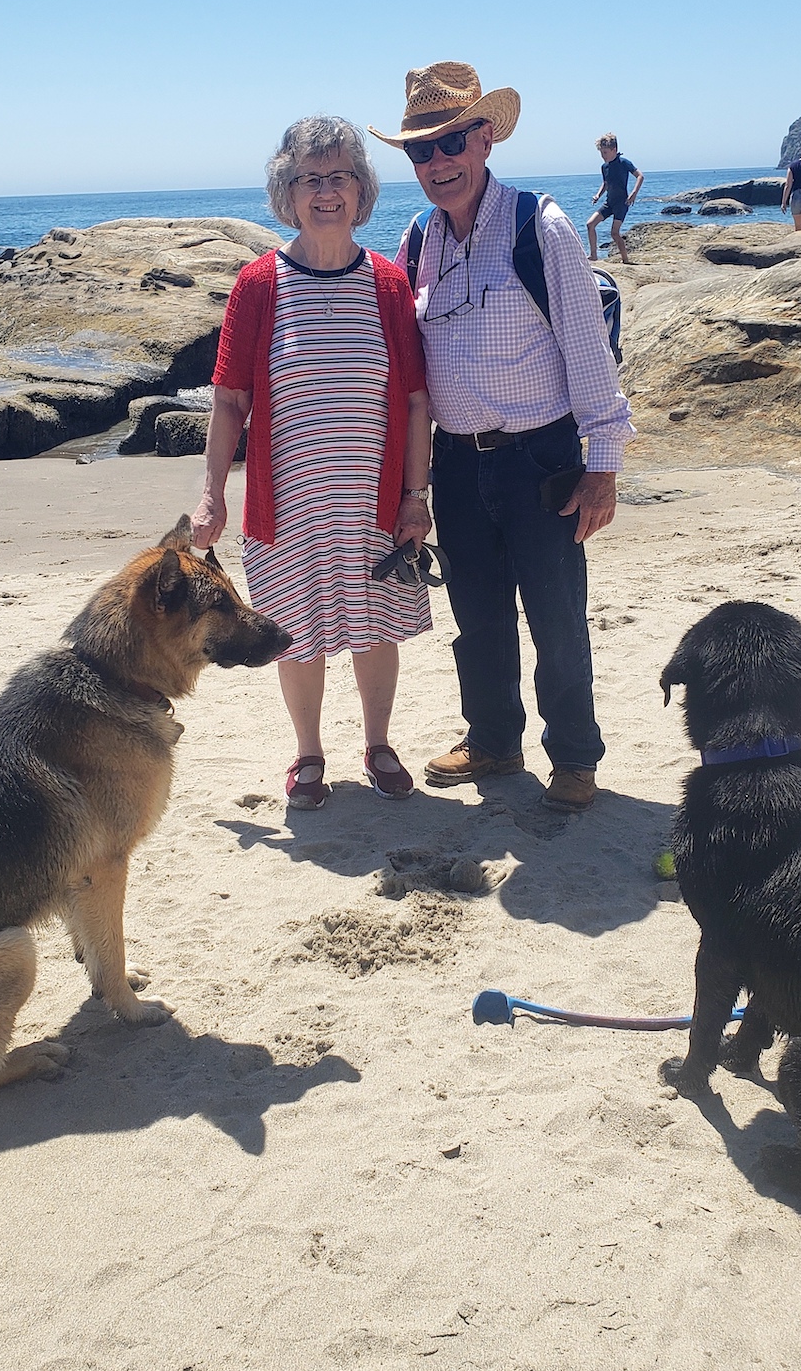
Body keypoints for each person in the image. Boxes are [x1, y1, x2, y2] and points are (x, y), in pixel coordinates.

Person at [370, 62, 635, 813]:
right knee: (477, 620)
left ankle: (575, 759)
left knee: (557, 620)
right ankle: (492, 740)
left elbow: (588, 352)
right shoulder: (416, 238)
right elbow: (403, 363)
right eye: (421, 150)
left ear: (484, 138)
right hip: (455, 466)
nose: (437, 162)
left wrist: (602, 467)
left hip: (538, 460)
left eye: (451, 140)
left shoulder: (538, 227)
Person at [191, 116, 433, 811]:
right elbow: (230, 400)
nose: (326, 192)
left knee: (375, 627)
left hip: (374, 502)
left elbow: (416, 403)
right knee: (295, 635)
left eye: (340, 177)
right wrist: (211, 494)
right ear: (286, 193)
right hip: (287, 505)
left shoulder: (388, 284)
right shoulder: (257, 285)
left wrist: (415, 496)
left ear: (361, 191)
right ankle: (307, 754)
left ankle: (379, 744)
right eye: (309, 179)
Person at [586, 133, 642, 264]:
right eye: (601, 152)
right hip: (609, 203)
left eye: (605, 152)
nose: (603, 156)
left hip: (621, 203)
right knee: (590, 224)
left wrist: (634, 193)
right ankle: (593, 255)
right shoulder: (604, 167)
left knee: (614, 233)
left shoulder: (623, 162)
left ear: (614, 150)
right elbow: (606, 183)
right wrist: (597, 195)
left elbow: (640, 176)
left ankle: (625, 260)